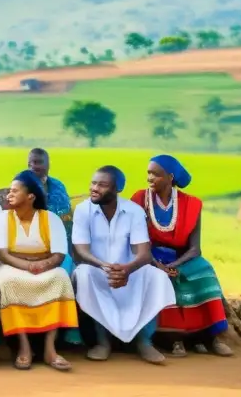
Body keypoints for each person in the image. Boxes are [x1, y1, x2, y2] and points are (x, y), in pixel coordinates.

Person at [130, 155, 232, 357]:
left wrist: (175, 265)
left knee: (204, 272)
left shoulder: (192, 204)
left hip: (182, 257)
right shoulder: (139, 199)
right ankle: (175, 339)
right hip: (149, 256)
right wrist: (157, 264)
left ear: (170, 177)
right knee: (162, 279)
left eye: (155, 174)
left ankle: (210, 337)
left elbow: (195, 248)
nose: (149, 178)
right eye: (148, 173)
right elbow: (135, 240)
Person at [71, 166, 175, 364]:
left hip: (129, 273)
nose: (94, 188)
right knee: (82, 274)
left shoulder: (133, 211)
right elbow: (80, 250)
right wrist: (105, 267)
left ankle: (145, 342)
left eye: (102, 185)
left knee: (157, 277)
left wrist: (127, 269)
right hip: (97, 270)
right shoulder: (83, 210)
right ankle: (103, 343)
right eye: (93, 183)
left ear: (117, 189)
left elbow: (143, 253)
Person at [0, 171, 78, 372]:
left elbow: (58, 255)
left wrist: (42, 265)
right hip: (10, 267)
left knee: (60, 277)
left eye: (14, 191)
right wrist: (29, 265)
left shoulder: (51, 219)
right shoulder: (2, 218)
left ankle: (50, 349)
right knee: (8, 281)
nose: (8, 195)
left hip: (45, 266)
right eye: (8, 191)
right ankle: (24, 347)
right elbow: (2, 254)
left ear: (30, 197)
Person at [28, 148, 73, 238]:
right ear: (29, 165)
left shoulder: (58, 185)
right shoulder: (22, 185)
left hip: (63, 238)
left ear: (48, 164)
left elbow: (67, 211)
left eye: (40, 162)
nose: (36, 166)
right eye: (33, 163)